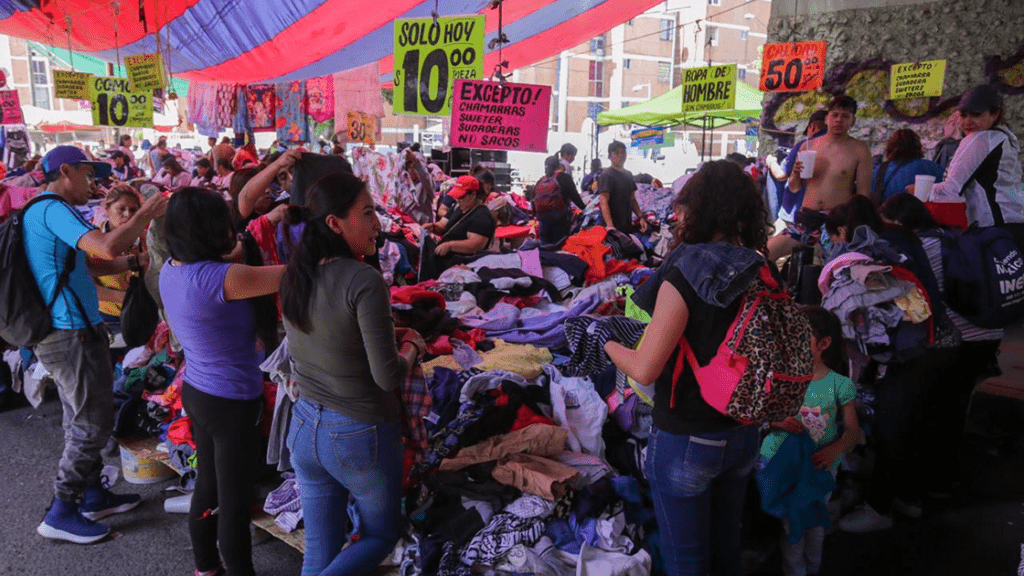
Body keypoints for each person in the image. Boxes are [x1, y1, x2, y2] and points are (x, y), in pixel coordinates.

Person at [604, 160, 770, 576]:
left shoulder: (687, 269)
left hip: (689, 437)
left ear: (699, 208)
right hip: (744, 432)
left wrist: (604, 343)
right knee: (726, 547)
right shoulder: (758, 265)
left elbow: (644, 368)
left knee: (687, 562)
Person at [281, 172, 424, 576]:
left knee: (320, 551)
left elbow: (330, 336)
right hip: (356, 434)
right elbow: (388, 377)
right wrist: (411, 346)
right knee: (380, 535)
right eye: (366, 212)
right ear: (334, 223)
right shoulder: (363, 279)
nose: (377, 223)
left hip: (305, 426)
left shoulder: (296, 272)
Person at [26, 146, 166, 543]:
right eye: (88, 175)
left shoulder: (50, 211)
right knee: (91, 426)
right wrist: (145, 213)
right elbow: (106, 248)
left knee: (80, 418)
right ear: (65, 171)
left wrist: (135, 264)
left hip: (71, 331)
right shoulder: (52, 208)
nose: (93, 183)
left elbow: (91, 264)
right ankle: (61, 509)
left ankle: (91, 495)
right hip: (69, 333)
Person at [159, 187, 286, 576]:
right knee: (234, 500)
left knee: (209, 487)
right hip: (232, 402)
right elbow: (296, 275)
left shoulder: (171, 268)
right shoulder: (223, 278)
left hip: (197, 391)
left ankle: (206, 568)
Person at [879, 193, 1003, 496]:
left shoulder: (919, 249)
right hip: (989, 333)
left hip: (959, 339)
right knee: (953, 408)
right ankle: (943, 479)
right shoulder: (952, 236)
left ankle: (928, 484)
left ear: (900, 222)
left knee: (935, 411)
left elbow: (916, 301)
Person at [759, 306, 859, 576]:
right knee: (792, 525)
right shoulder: (779, 379)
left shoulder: (840, 384)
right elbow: (761, 416)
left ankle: (811, 568)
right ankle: (797, 571)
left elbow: (853, 432)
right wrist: (774, 422)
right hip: (781, 462)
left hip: (820, 466)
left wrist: (834, 451)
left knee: (814, 522)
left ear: (824, 344)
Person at [768, 96, 873, 260]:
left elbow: (863, 194)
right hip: (805, 218)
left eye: (845, 116)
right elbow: (795, 187)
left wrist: (855, 227)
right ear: (827, 118)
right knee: (767, 252)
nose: (839, 120)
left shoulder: (859, 149)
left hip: (835, 222)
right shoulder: (808, 145)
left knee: (827, 269)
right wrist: (795, 173)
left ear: (853, 121)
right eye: (835, 115)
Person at [920, 84, 1024, 249]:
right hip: (1014, 222)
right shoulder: (1003, 137)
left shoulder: (982, 139)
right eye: (963, 115)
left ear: (994, 114)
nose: (967, 121)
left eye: (976, 115)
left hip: (996, 228)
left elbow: (951, 189)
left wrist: (919, 191)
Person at [91, 186, 147, 332]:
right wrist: (125, 298)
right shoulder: (92, 241)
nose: (127, 214)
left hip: (142, 313)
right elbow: (88, 286)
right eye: (121, 209)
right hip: (108, 318)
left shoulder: (145, 239)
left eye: (133, 210)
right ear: (107, 209)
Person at [420, 175, 495, 280]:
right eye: (457, 197)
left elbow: (476, 244)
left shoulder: (482, 216)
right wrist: (433, 227)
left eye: (462, 197)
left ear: (473, 195)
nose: (458, 200)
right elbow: (443, 225)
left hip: (462, 264)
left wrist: (450, 245)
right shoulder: (458, 208)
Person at [767, 110, 827, 225]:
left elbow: (781, 175)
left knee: (771, 242)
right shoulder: (840, 149)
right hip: (822, 215)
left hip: (795, 213)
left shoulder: (805, 145)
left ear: (812, 127)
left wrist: (771, 161)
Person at [871, 128, 943, 203]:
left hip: (886, 213)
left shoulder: (878, 170)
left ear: (890, 147)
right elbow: (948, 188)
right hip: (921, 212)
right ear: (918, 146)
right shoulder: (931, 168)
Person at [598, 140, 648, 235]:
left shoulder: (628, 175)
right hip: (612, 228)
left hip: (626, 225)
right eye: (616, 153)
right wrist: (610, 225)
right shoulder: (606, 175)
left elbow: (632, 199)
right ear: (609, 156)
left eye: (623, 152)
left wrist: (641, 217)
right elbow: (603, 200)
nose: (620, 155)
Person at [533, 155, 576, 245]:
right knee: (559, 247)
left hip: (543, 220)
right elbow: (574, 197)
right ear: (558, 166)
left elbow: (533, 200)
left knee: (544, 247)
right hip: (560, 219)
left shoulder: (540, 180)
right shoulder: (563, 178)